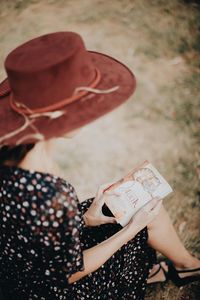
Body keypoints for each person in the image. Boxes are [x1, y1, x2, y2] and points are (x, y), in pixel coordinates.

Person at [0, 32, 199, 300]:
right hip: (51, 291)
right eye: (82, 106)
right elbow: (67, 274)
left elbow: (29, 238)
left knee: (123, 206)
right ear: (56, 115)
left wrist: (84, 219)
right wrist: (131, 231)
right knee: (139, 216)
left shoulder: (14, 159)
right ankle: (183, 267)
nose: (88, 115)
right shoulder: (50, 193)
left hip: (19, 272)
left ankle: (179, 266)